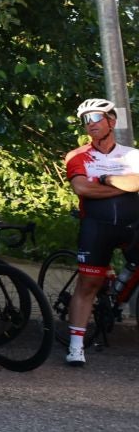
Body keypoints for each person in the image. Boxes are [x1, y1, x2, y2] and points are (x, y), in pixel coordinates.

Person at [63, 97, 139, 366]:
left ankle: (117, 299)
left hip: (132, 225)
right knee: (88, 286)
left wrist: (105, 179)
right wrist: (125, 185)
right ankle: (75, 346)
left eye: (96, 118)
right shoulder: (77, 156)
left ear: (111, 121)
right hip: (97, 226)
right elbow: (83, 189)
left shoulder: (132, 155)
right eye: (86, 120)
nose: (90, 124)